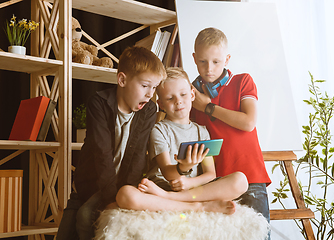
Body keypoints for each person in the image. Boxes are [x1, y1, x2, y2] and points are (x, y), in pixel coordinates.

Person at [56, 46, 166, 240]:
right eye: (145, 85)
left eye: (155, 87)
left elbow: (139, 154)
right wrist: (108, 198)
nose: (150, 94)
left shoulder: (149, 110)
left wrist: (124, 196)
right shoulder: (98, 103)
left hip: (123, 186)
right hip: (92, 182)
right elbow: (102, 153)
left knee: (84, 218)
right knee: (67, 231)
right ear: (122, 80)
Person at [115, 67, 248, 215]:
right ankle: (197, 207)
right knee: (125, 194)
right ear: (161, 104)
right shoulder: (159, 130)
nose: (178, 102)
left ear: (192, 94)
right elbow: (167, 173)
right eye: (170, 98)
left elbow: (210, 174)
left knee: (240, 180)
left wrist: (189, 183)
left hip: (191, 191)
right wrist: (183, 167)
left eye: (183, 94)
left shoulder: (202, 132)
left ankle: (173, 199)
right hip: (161, 187)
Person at [190, 27, 272, 239]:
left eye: (216, 62)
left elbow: (248, 122)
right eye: (202, 62)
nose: (209, 68)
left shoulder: (242, 81)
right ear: (194, 59)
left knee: (259, 236)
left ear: (227, 59)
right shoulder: (190, 93)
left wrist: (208, 107)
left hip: (251, 179)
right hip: (214, 184)